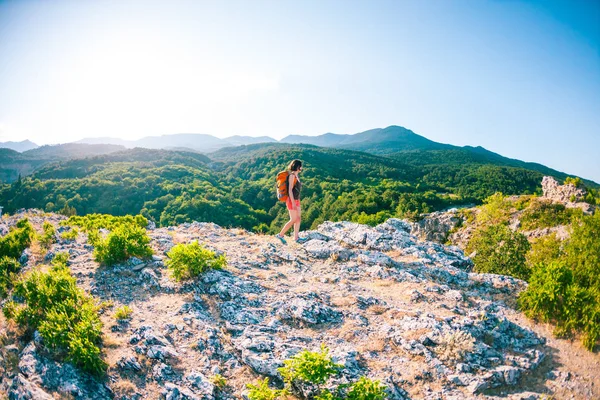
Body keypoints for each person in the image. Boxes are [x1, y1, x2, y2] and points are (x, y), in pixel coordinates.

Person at [276, 159, 306, 244]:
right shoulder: (292, 176)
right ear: (298, 167)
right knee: (293, 219)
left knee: (298, 218)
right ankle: (280, 235)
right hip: (291, 200)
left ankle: (296, 238)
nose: (301, 168)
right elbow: (289, 191)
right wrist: (293, 203)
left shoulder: (296, 176)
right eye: (301, 166)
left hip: (297, 199)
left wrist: (297, 201)